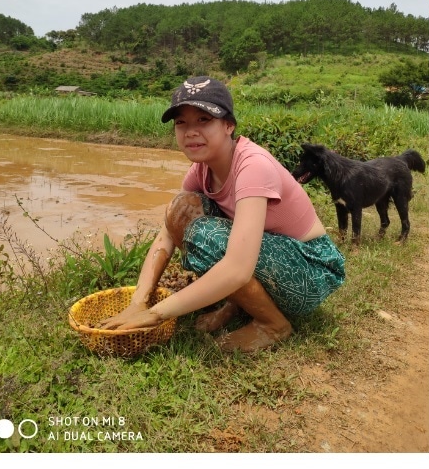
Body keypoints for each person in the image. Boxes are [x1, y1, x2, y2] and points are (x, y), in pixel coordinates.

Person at [99, 76, 346, 353]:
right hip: (272, 256)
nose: (191, 131)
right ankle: (236, 305)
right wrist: (138, 302)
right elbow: (166, 235)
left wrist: (155, 314)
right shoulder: (201, 169)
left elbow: (239, 268)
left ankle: (273, 324)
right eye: (181, 122)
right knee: (181, 210)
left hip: (312, 269)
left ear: (229, 125)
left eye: (203, 120)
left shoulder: (253, 166)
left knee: (207, 237)